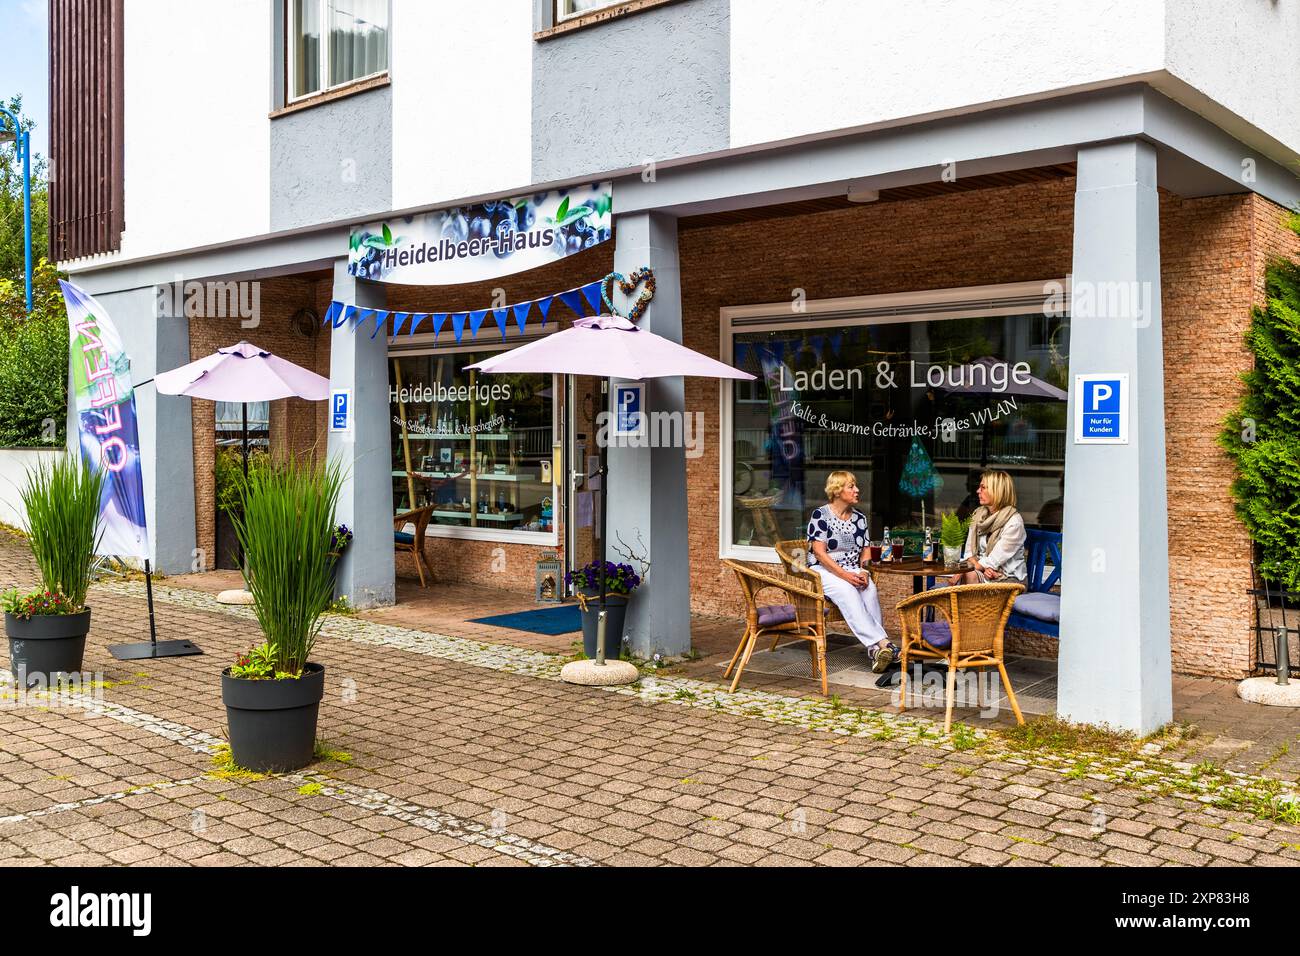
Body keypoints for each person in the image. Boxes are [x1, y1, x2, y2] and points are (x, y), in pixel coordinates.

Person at [806, 470, 899, 673]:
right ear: (837, 491)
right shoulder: (820, 515)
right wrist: (845, 576)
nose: (857, 490)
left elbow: (866, 550)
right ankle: (884, 644)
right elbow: (820, 554)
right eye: (851, 486)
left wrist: (864, 572)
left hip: (852, 569)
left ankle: (876, 651)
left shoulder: (859, 519)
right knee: (848, 591)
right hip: (823, 570)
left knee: (870, 590)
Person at [948, 469, 1028, 586]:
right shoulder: (978, 515)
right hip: (986, 574)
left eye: (983, 487)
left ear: (997, 491)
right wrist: (982, 568)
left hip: (1009, 579)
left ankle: (970, 604)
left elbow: (992, 561)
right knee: (968, 574)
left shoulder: (1014, 522)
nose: (977, 491)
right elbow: (968, 554)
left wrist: (969, 568)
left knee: (967, 575)